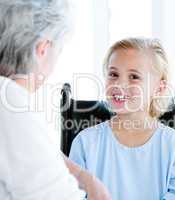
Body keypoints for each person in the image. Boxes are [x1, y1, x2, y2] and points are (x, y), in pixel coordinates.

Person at [0, 1, 111, 200]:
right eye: (59, 51)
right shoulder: (10, 102)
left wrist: (79, 174)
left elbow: (22, 152)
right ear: (42, 49)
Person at [69, 37, 175, 200]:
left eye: (134, 77)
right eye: (113, 74)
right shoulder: (85, 143)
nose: (120, 84)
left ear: (160, 87)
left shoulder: (174, 145)